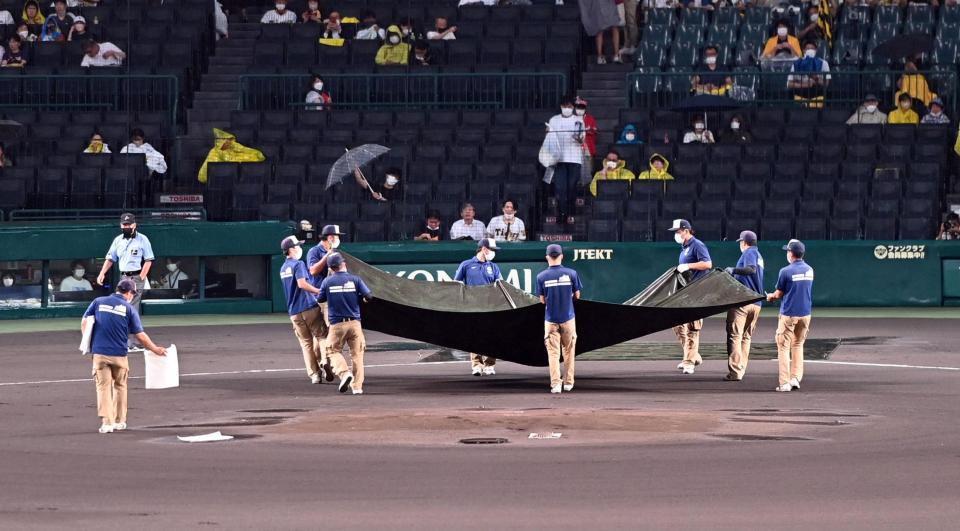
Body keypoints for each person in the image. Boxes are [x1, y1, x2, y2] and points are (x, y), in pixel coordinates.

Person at [82, 278, 167, 434]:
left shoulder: (98, 301)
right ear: (130, 293)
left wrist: (87, 344)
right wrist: (155, 349)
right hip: (119, 355)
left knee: (103, 388)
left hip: (99, 353)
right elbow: (140, 335)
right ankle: (120, 421)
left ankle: (107, 423)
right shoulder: (129, 309)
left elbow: (85, 322)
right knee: (120, 387)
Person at [280, 235, 334, 386]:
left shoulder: (283, 268)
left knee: (306, 344)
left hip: (294, 312)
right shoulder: (298, 264)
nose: (300, 248)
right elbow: (302, 284)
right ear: (291, 249)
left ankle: (314, 375)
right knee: (322, 336)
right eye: (297, 246)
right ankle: (324, 360)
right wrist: (318, 291)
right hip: (308, 307)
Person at [317, 252, 372, 394]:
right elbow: (369, 296)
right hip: (354, 323)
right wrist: (362, 299)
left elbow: (320, 299)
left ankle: (344, 373)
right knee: (357, 355)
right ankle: (357, 387)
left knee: (332, 350)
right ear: (343, 264)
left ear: (330, 268)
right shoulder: (355, 279)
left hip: (336, 324)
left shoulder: (327, 282)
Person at [96, 213, 154, 343]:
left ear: (134, 225)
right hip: (123, 277)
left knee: (131, 308)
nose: (126, 226)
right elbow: (110, 258)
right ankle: (131, 340)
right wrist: (102, 273)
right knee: (122, 306)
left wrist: (141, 277)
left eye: (129, 224)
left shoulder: (142, 239)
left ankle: (130, 342)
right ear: (121, 225)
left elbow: (149, 259)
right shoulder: (118, 240)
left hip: (136, 276)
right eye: (124, 224)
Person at [766, 239, 814, 393]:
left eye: (788, 251)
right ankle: (795, 378)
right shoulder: (810, 270)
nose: (787, 253)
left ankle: (785, 382)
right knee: (798, 344)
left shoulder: (785, 271)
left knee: (783, 347)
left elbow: (779, 294)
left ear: (791, 254)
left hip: (789, 314)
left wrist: (770, 297)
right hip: (805, 314)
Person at [537, 244, 583, 394]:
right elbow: (577, 296)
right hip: (568, 318)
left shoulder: (541, 276)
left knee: (553, 353)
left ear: (547, 257)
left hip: (550, 320)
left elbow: (542, 300)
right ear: (562, 256)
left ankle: (556, 384)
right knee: (569, 351)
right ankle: (569, 383)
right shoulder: (571, 273)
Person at [669, 219, 712, 375]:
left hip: (698, 291)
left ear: (686, 230)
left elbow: (708, 264)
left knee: (693, 327)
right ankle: (694, 356)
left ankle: (689, 362)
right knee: (677, 324)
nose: (676, 234)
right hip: (686, 292)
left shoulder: (697, 245)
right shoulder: (684, 248)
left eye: (678, 231)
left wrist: (688, 266)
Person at [454, 238, 503, 376]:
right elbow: (457, 284)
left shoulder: (493, 267)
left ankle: (489, 364)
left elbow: (501, 285)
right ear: (484, 249)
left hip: (490, 306)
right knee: (474, 335)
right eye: (492, 250)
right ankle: (476, 364)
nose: (494, 253)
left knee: (492, 335)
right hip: (473, 306)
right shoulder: (466, 265)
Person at [723, 230, 764, 382]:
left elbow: (750, 270)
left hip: (743, 302)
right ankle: (741, 369)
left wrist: (733, 270)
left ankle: (735, 372)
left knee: (735, 336)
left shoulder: (749, 253)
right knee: (746, 337)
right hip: (756, 302)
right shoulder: (759, 255)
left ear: (745, 242)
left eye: (741, 241)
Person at [544, 98, 585, 224]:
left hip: (575, 158)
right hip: (559, 159)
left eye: (569, 106)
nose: (567, 108)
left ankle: (570, 211)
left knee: (571, 187)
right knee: (561, 187)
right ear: (561, 106)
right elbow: (549, 138)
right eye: (565, 105)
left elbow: (582, 140)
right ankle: (562, 214)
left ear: (572, 107)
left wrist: (577, 138)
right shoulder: (554, 120)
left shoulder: (578, 120)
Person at [197, 128, 265, 184]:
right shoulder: (214, 152)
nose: (227, 142)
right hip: (221, 182)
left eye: (229, 140)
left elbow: (252, 153)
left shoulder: (236, 147)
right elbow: (202, 176)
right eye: (225, 140)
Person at [787, 40, 830, 107]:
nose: (810, 50)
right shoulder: (797, 63)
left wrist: (815, 78)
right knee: (790, 91)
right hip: (801, 88)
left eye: (812, 48)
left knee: (825, 91)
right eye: (808, 48)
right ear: (803, 50)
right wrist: (805, 85)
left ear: (816, 50)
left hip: (816, 89)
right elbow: (789, 84)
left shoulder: (823, 63)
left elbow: (826, 83)